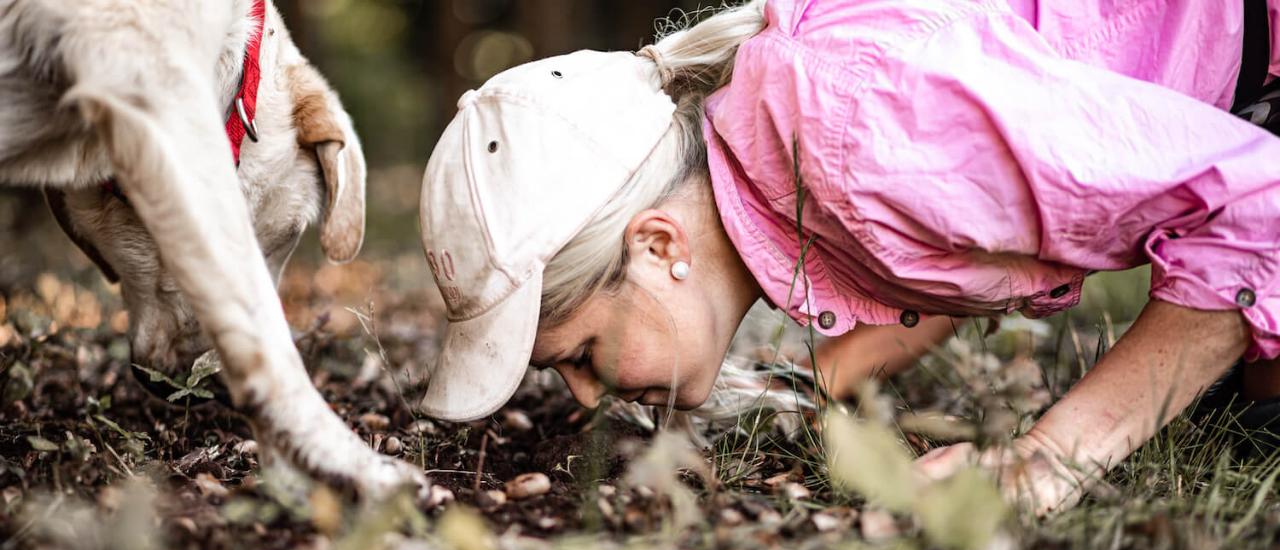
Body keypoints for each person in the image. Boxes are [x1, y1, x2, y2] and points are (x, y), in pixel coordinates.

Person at [418, 0, 1280, 515]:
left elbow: (1260, 205)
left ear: (656, 243)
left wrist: (1045, 461)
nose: (582, 392)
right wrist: (819, 385)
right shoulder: (783, 135)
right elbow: (952, 236)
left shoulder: (860, 133)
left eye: (574, 354)